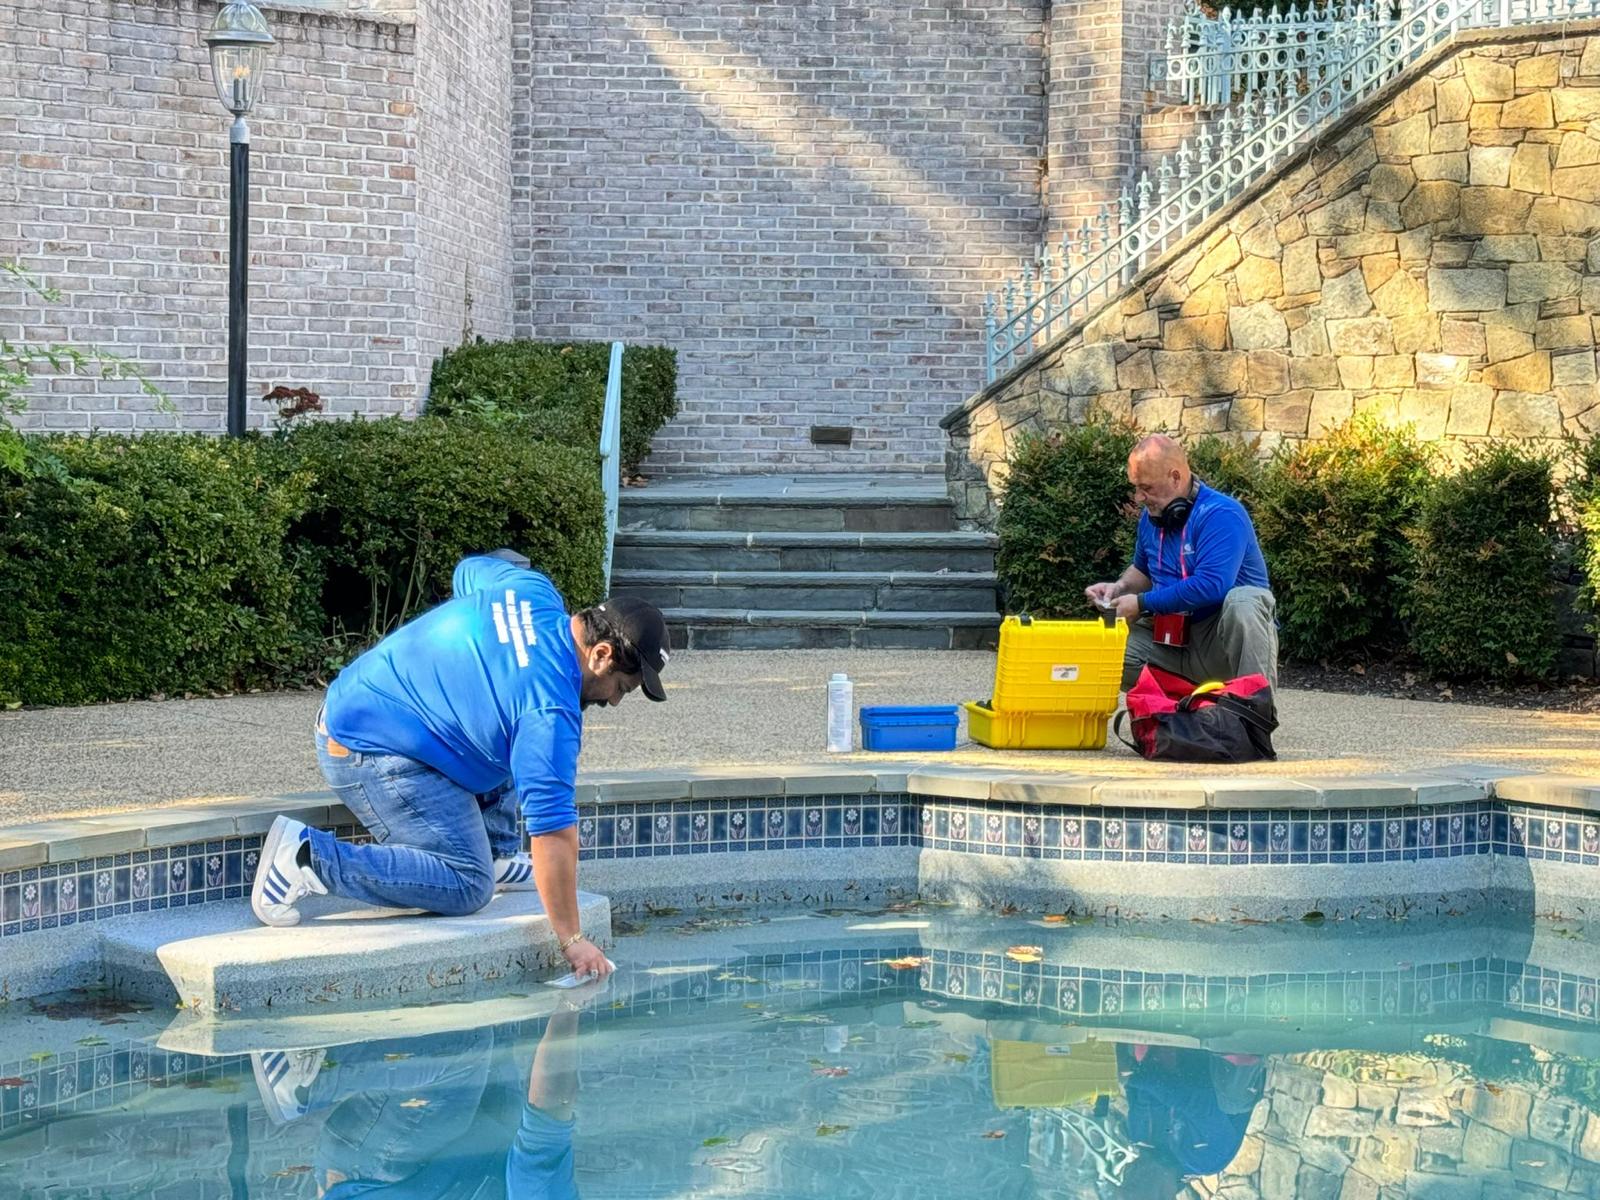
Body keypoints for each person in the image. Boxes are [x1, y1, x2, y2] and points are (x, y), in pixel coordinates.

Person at [251, 549, 670, 985]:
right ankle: (305, 856)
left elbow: (469, 569)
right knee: (468, 884)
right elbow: (554, 837)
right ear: (601, 654)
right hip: (365, 749)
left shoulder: (530, 590)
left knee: (507, 732)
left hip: (364, 706)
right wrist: (572, 938)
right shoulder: (550, 712)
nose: (614, 700)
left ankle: (496, 852)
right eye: (622, 687)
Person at [1085, 435, 1277, 692]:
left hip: (1219, 642)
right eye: (1135, 487)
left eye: (1147, 488)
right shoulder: (1151, 517)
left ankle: (1254, 713)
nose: (1139, 497)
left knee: (1244, 601)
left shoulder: (1221, 513)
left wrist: (1141, 603)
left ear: (1175, 477)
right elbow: (1142, 570)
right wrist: (1118, 589)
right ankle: (1184, 714)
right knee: (1102, 652)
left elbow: (1212, 585)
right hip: (1171, 640)